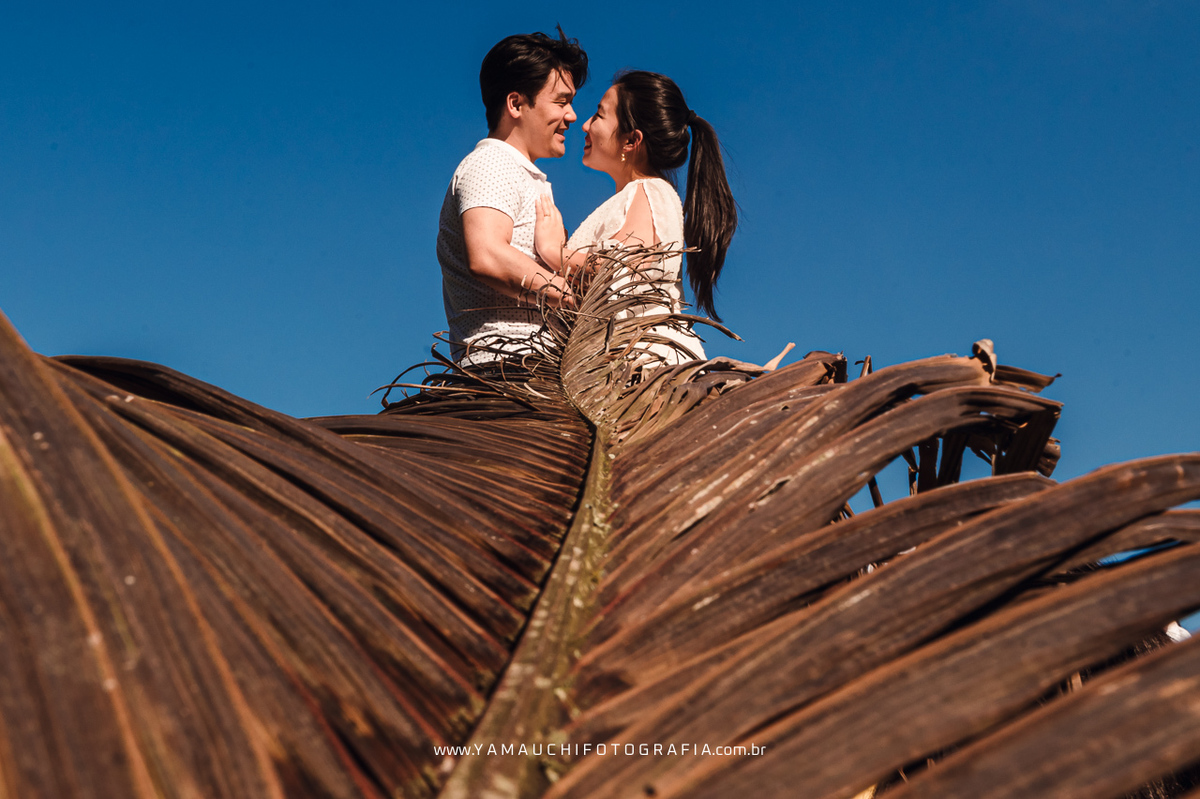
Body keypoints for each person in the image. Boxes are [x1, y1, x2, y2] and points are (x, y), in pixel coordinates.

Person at [534, 70, 737, 366]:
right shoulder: (640, 195)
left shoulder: (650, 191)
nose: (586, 125)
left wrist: (554, 252)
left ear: (631, 141)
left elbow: (622, 273)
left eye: (599, 115)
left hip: (644, 372)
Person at [436, 29, 588, 366]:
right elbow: (488, 254)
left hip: (536, 370)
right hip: (506, 369)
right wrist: (576, 300)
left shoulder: (521, 173)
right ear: (516, 104)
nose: (573, 115)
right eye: (561, 101)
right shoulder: (492, 162)